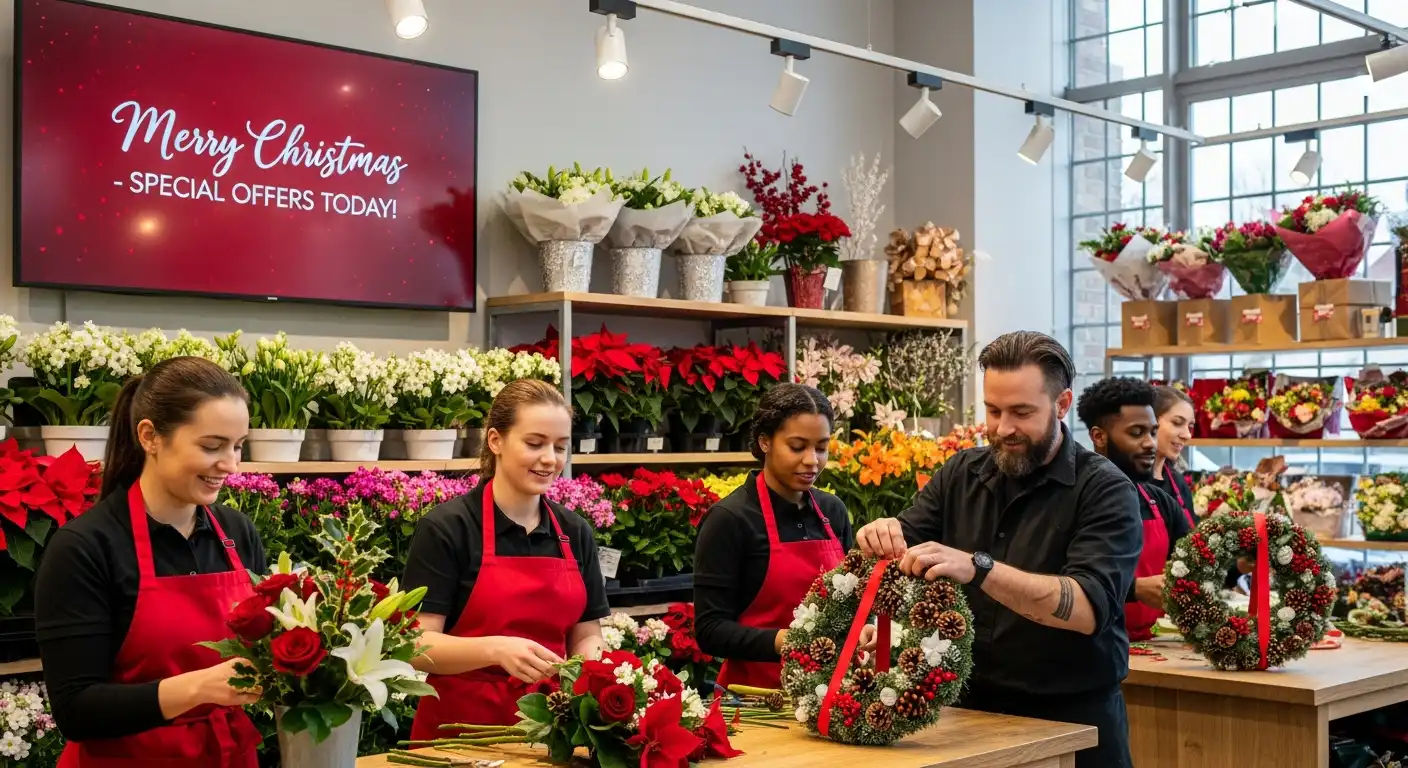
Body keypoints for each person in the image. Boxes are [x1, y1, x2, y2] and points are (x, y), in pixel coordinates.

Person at [855, 331, 1141, 768]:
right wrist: (880, 536)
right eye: (993, 410)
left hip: (1072, 724)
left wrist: (979, 568)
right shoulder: (961, 474)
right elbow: (905, 547)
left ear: (1062, 405)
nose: (1004, 427)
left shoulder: (1105, 490)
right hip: (967, 717)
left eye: (1022, 412)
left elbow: (1086, 608)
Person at [35, 357, 266, 767]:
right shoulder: (85, 547)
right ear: (149, 436)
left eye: (237, 445)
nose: (230, 465)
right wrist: (200, 687)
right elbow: (77, 709)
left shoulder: (238, 533)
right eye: (212, 446)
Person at [405, 379, 609, 734]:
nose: (550, 458)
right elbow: (416, 645)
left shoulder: (575, 532)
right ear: (495, 440)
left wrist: (593, 663)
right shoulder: (448, 528)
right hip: (460, 734)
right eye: (535, 443)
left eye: (561, 447)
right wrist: (495, 650)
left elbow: (587, 634)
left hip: (553, 730)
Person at [694, 384, 853, 690]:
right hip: (756, 702)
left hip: (830, 695)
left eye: (821, 447)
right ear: (764, 441)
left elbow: (852, 603)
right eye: (797, 446)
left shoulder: (832, 512)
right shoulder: (730, 520)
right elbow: (710, 630)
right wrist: (787, 641)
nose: (812, 460)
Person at [1075, 377, 1191, 643]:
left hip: (1147, 646)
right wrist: (1134, 589)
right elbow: (1054, 576)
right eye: (1136, 433)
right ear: (1099, 436)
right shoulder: (1071, 499)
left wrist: (1240, 562)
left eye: (1152, 431)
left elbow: (1197, 556)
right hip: (1088, 649)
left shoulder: (1158, 501)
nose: (1150, 443)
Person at [1151, 386, 1197, 526]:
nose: (1187, 435)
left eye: (1190, 426)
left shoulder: (1178, 482)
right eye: (1177, 423)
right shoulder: (1125, 486)